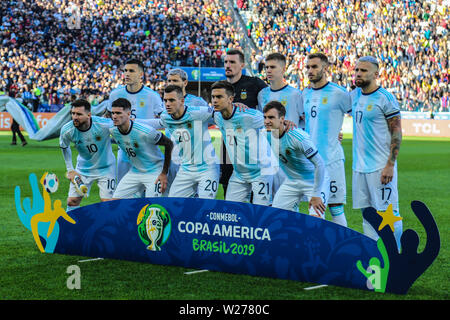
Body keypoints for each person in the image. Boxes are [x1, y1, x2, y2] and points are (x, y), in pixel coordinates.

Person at [351, 56, 403, 248]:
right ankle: (374, 254)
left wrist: (390, 165)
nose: (358, 74)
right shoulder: (354, 95)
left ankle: (397, 256)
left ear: (376, 74)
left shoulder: (385, 98)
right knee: (368, 215)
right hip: (359, 168)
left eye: (363, 70)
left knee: (389, 213)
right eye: (356, 70)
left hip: (380, 168)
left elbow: (397, 133)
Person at [302, 53, 351, 227]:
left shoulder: (339, 93)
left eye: (314, 66)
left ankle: (344, 250)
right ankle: (316, 252)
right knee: (315, 208)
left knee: (335, 207)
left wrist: (338, 130)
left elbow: (358, 115)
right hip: (311, 161)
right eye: (308, 67)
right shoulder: (305, 94)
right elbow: (303, 122)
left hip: (332, 160)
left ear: (325, 68)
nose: (310, 70)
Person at [211, 80, 275, 205]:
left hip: (260, 171)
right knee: (230, 211)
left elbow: (273, 121)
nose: (214, 100)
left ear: (230, 99)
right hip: (239, 174)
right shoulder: (217, 116)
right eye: (213, 97)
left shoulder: (250, 116)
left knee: (262, 213)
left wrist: (287, 123)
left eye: (219, 97)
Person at [263, 101, 329, 218]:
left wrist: (316, 193)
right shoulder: (266, 133)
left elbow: (319, 164)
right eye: (265, 117)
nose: (267, 121)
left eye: (271, 117)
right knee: (276, 217)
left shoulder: (298, 137)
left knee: (316, 221)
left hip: (314, 181)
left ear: (282, 118)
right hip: (292, 181)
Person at [106, 58, 165, 182]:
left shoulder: (152, 96)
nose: (127, 74)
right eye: (125, 70)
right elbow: (108, 118)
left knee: (147, 195)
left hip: (147, 151)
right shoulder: (115, 94)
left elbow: (163, 121)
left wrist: (138, 124)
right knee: (123, 192)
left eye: (131, 71)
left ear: (141, 74)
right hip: (125, 150)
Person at [221, 48, 268, 196]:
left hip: (251, 150)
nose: (228, 65)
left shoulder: (254, 84)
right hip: (228, 148)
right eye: (226, 62)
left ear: (242, 65)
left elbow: (268, 111)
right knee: (229, 194)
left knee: (256, 199)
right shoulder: (220, 87)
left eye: (232, 62)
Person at [160, 85, 220, 199]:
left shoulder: (200, 113)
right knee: (173, 204)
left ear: (182, 101)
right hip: (186, 168)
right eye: (165, 100)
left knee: (204, 206)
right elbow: (156, 123)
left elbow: (224, 116)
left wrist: (234, 107)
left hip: (207, 168)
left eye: (171, 100)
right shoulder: (165, 117)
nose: (167, 104)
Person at [109, 98, 173, 199]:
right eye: (112, 113)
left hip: (155, 171)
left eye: (118, 113)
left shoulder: (145, 132)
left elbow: (169, 143)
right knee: (115, 202)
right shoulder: (113, 130)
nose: (114, 116)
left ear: (129, 114)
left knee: (154, 206)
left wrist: (164, 173)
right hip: (135, 171)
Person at [59, 99, 117, 211]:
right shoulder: (67, 130)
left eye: (79, 114)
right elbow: (64, 147)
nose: (75, 117)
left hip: (106, 169)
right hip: (83, 170)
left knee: (108, 203)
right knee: (72, 201)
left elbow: (123, 129)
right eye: (73, 113)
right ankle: (72, 228)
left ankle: (109, 227)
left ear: (89, 115)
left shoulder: (103, 124)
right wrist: (70, 169)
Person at [257, 52, 304, 128]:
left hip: (289, 139)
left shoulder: (296, 94)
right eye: (266, 67)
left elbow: (305, 121)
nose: (268, 70)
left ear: (283, 70)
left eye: (272, 67)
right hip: (269, 139)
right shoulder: (262, 94)